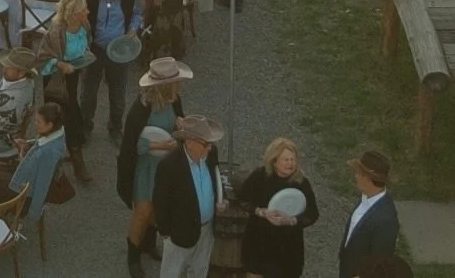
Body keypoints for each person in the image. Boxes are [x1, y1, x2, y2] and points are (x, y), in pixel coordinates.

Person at [118, 56, 191, 278]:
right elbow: (131, 143)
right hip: (147, 167)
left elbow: (180, 126)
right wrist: (159, 144)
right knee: (143, 212)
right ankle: (133, 256)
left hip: (166, 167)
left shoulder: (174, 100)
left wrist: (180, 127)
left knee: (160, 209)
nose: (179, 84)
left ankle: (149, 244)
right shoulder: (142, 108)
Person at [236, 136, 319, 278]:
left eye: (293, 160)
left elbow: (313, 214)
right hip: (258, 243)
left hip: (287, 250)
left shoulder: (301, 183)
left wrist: (292, 221)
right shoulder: (260, 177)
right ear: (274, 161)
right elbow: (243, 199)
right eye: (286, 160)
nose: (290, 164)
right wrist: (261, 212)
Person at [153, 116, 224, 278]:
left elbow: (216, 180)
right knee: (172, 272)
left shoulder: (211, 155)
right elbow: (160, 201)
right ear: (189, 142)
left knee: (199, 271)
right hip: (179, 233)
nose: (210, 148)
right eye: (206, 144)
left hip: (206, 229)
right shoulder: (169, 165)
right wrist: (166, 233)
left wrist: (221, 199)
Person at [81, 0, 144, 143]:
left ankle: (116, 127)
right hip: (96, 48)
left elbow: (138, 13)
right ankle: (85, 125)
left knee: (118, 92)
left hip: (119, 50)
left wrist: (133, 28)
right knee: (89, 91)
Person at [39, 0, 93, 183]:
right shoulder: (56, 32)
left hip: (72, 75)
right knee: (62, 119)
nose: (87, 11)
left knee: (66, 116)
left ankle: (53, 160)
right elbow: (43, 56)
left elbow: (85, 45)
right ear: (74, 13)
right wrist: (60, 64)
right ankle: (76, 165)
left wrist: (84, 57)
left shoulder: (84, 26)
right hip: (55, 79)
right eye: (83, 9)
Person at [2, 102, 68, 225]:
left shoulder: (50, 153)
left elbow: (43, 184)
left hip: (24, 193)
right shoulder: (56, 134)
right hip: (24, 176)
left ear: (50, 125)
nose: (35, 124)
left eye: (38, 122)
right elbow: (42, 142)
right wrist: (28, 143)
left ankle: (6, 219)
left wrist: (33, 212)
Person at [339, 150, 400, 278]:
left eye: (358, 173)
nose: (355, 176)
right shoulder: (366, 199)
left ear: (368, 178)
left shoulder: (386, 220)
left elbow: (381, 263)